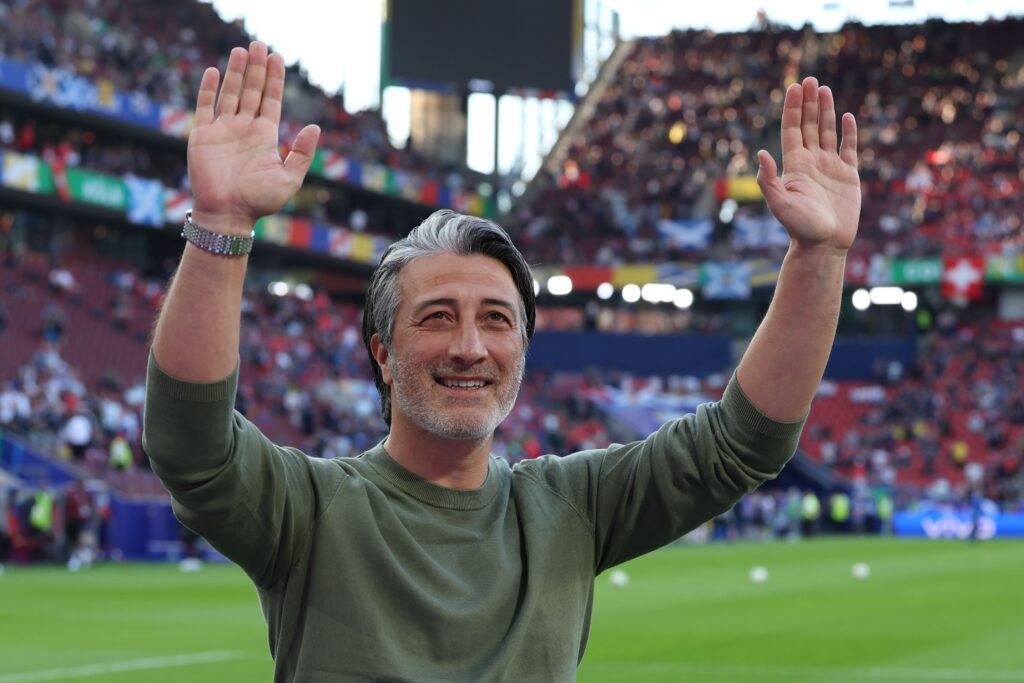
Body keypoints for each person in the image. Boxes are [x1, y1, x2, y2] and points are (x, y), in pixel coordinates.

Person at [143, 41, 860, 681]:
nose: (469, 346)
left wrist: (820, 256)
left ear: (522, 346)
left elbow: (742, 444)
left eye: (496, 319)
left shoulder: (568, 510)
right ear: (382, 354)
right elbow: (192, 447)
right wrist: (222, 224)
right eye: (437, 317)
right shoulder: (312, 511)